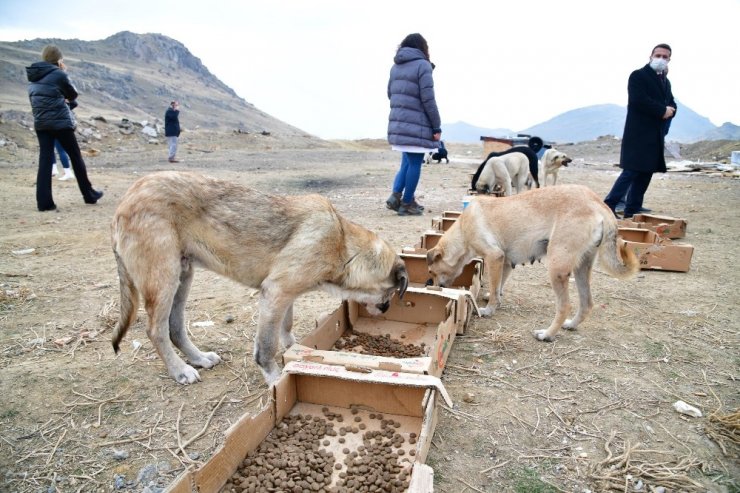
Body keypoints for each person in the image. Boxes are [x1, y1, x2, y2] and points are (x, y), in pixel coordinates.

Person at [26, 44, 103, 211]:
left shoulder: (33, 77)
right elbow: (73, 94)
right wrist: (63, 72)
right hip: (60, 123)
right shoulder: (58, 74)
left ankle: (44, 203)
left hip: (41, 124)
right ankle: (89, 195)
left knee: (45, 160)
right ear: (58, 59)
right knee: (75, 156)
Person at [604, 43, 676, 219]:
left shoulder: (665, 81)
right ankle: (609, 205)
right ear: (650, 56)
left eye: (665, 57)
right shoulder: (638, 76)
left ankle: (632, 210)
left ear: (669, 60)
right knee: (631, 171)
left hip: (655, 136)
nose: (661, 59)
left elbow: (672, 102)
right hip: (638, 134)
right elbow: (639, 100)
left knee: (645, 173)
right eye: (658, 55)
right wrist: (662, 111)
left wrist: (671, 110)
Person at [385, 33, 442, 216]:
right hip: (416, 125)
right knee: (415, 162)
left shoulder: (396, 67)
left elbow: (390, 93)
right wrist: (436, 126)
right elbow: (428, 99)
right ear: (422, 48)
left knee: (406, 163)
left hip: (399, 123)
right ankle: (407, 203)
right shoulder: (422, 65)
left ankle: (395, 197)